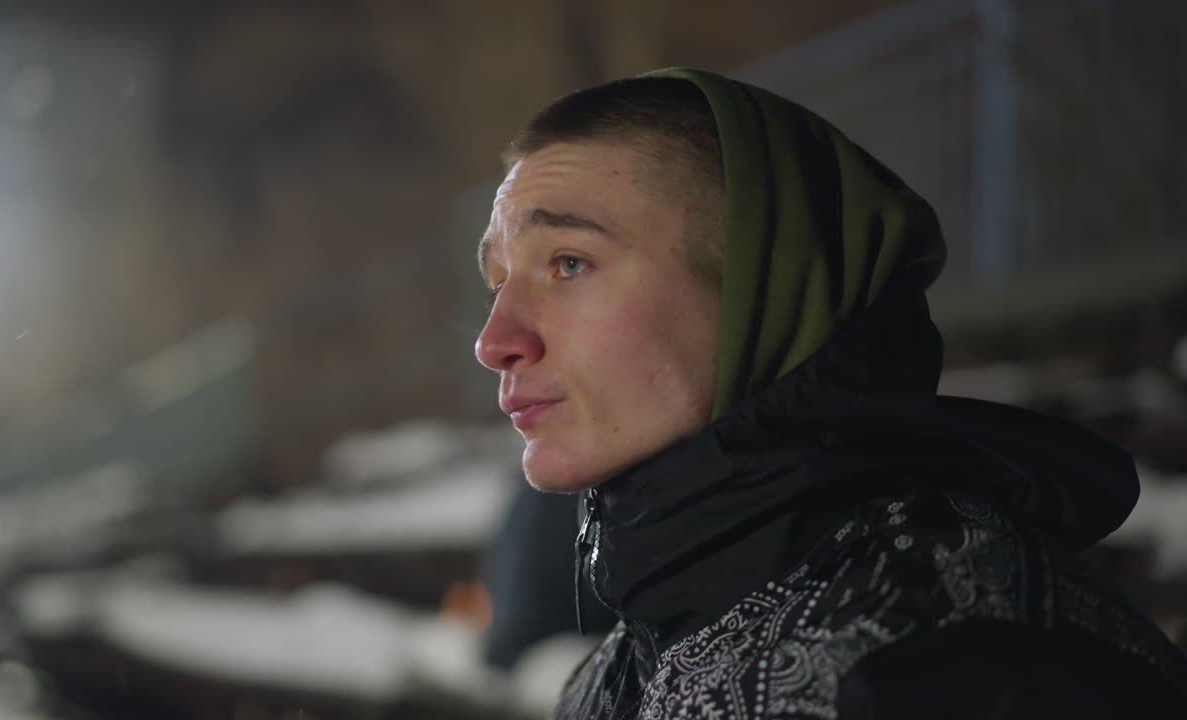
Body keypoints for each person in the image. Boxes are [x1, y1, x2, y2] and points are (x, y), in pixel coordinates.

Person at [473, 67, 1187, 719]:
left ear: (764, 290)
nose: (494, 338)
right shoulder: (614, 673)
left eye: (568, 263)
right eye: (499, 281)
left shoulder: (955, 663)